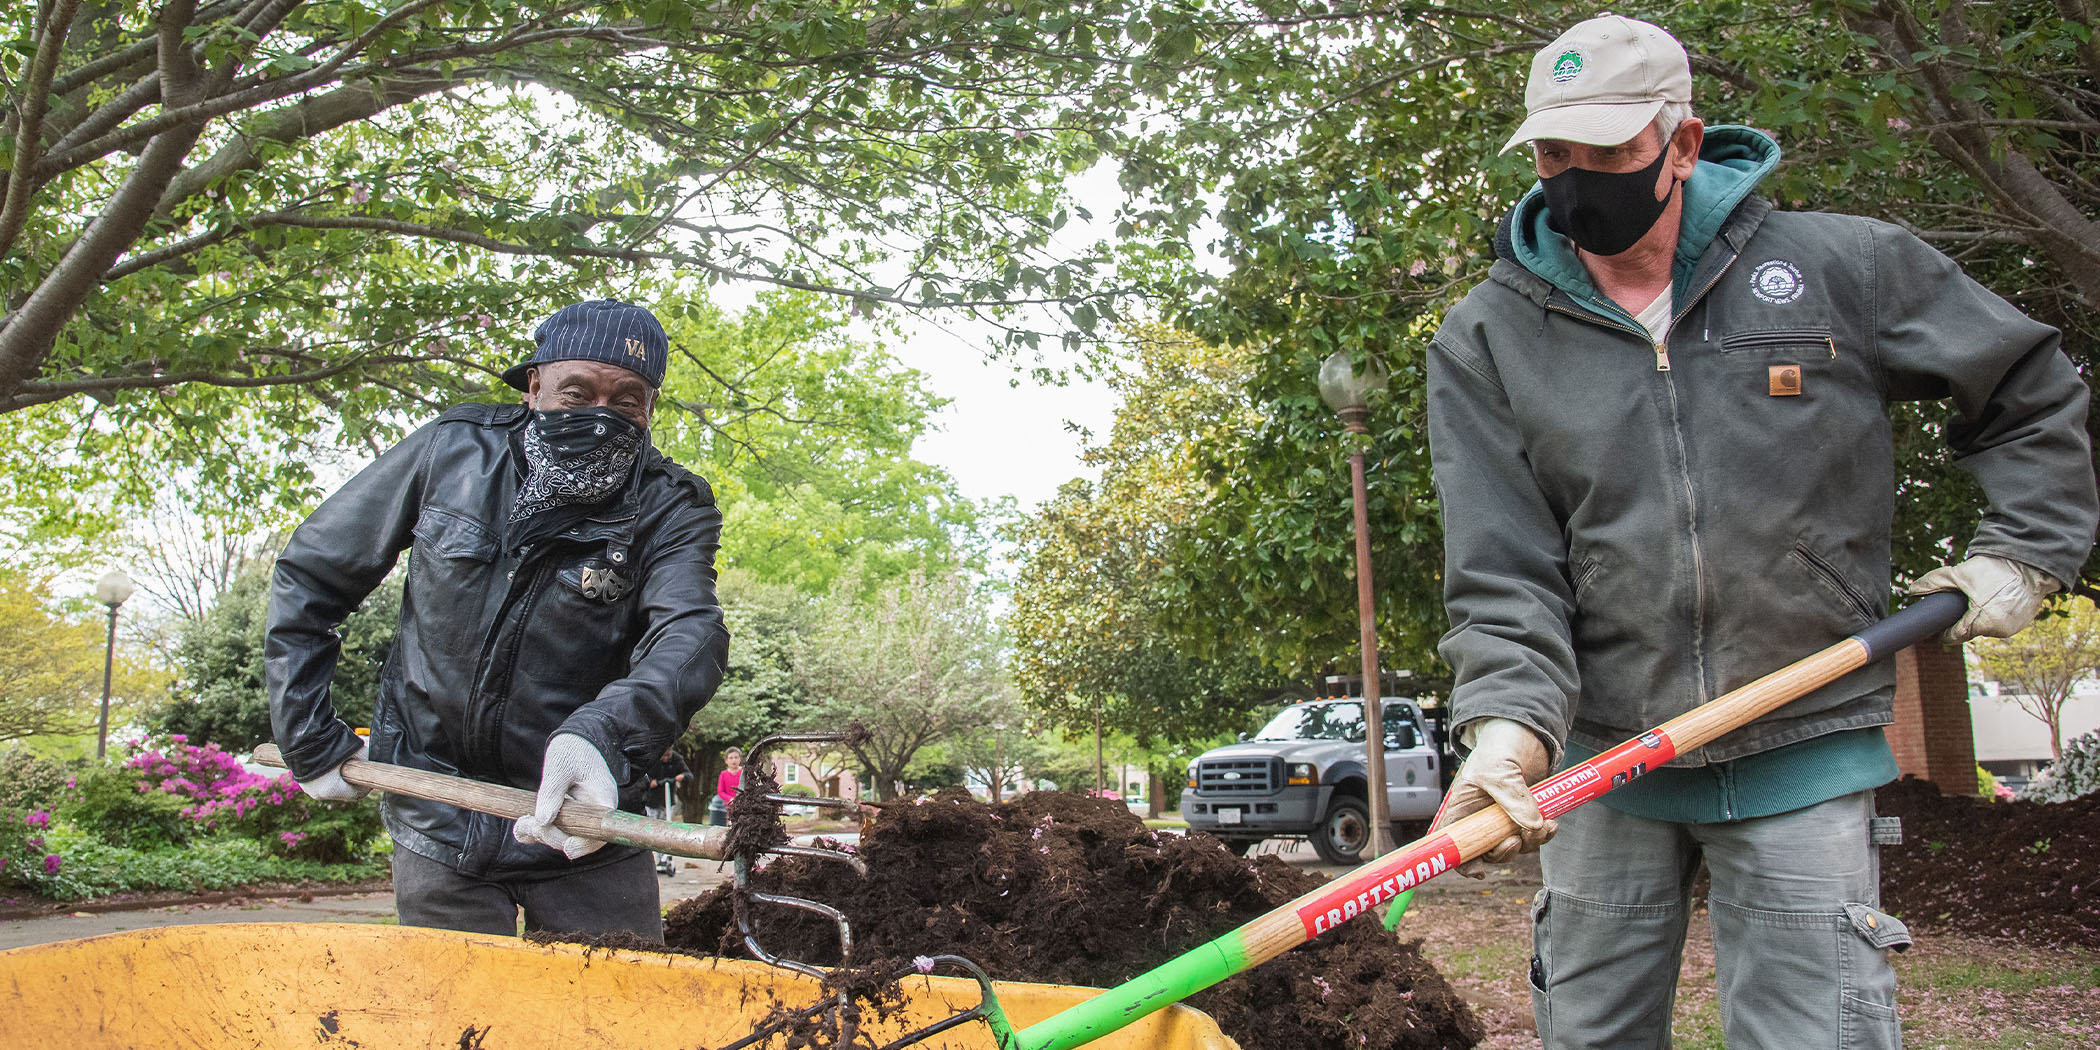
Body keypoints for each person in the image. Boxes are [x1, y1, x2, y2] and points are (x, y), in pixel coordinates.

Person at [1423, 15, 2095, 1049]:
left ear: (1683, 144)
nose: (1576, 179)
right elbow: (1504, 567)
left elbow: (2028, 390)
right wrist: (1512, 727)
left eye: (1608, 154)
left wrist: (2027, 548)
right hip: (1603, 769)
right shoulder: (1488, 338)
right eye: (1556, 155)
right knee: (1589, 1033)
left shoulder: (1843, 269)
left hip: (1804, 743)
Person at [266, 298, 730, 941]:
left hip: (587, 821)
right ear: (534, 386)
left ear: (648, 410)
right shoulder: (450, 453)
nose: (601, 415)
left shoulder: (670, 505)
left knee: (610, 1018)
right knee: (451, 1020)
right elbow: (314, 575)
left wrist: (600, 737)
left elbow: (689, 636)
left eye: (627, 400)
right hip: (437, 814)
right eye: (577, 392)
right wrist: (307, 734)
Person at [643, 747, 693, 876]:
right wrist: (650, 782)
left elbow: (689, 775)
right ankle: (658, 858)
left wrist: (681, 777)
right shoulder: (652, 759)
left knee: (666, 829)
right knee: (654, 829)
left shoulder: (676, 759)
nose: (666, 758)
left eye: (668, 755)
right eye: (663, 756)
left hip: (668, 800)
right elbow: (642, 777)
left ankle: (665, 858)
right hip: (653, 801)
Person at [710, 747, 742, 827]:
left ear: (740, 759)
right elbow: (720, 792)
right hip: (728, 806)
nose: (733, 760)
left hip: (742, 803)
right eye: (731, 758)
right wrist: (731, 799)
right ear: (726, 761)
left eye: (736, 757)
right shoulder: (723, 774)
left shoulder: (744, 772)